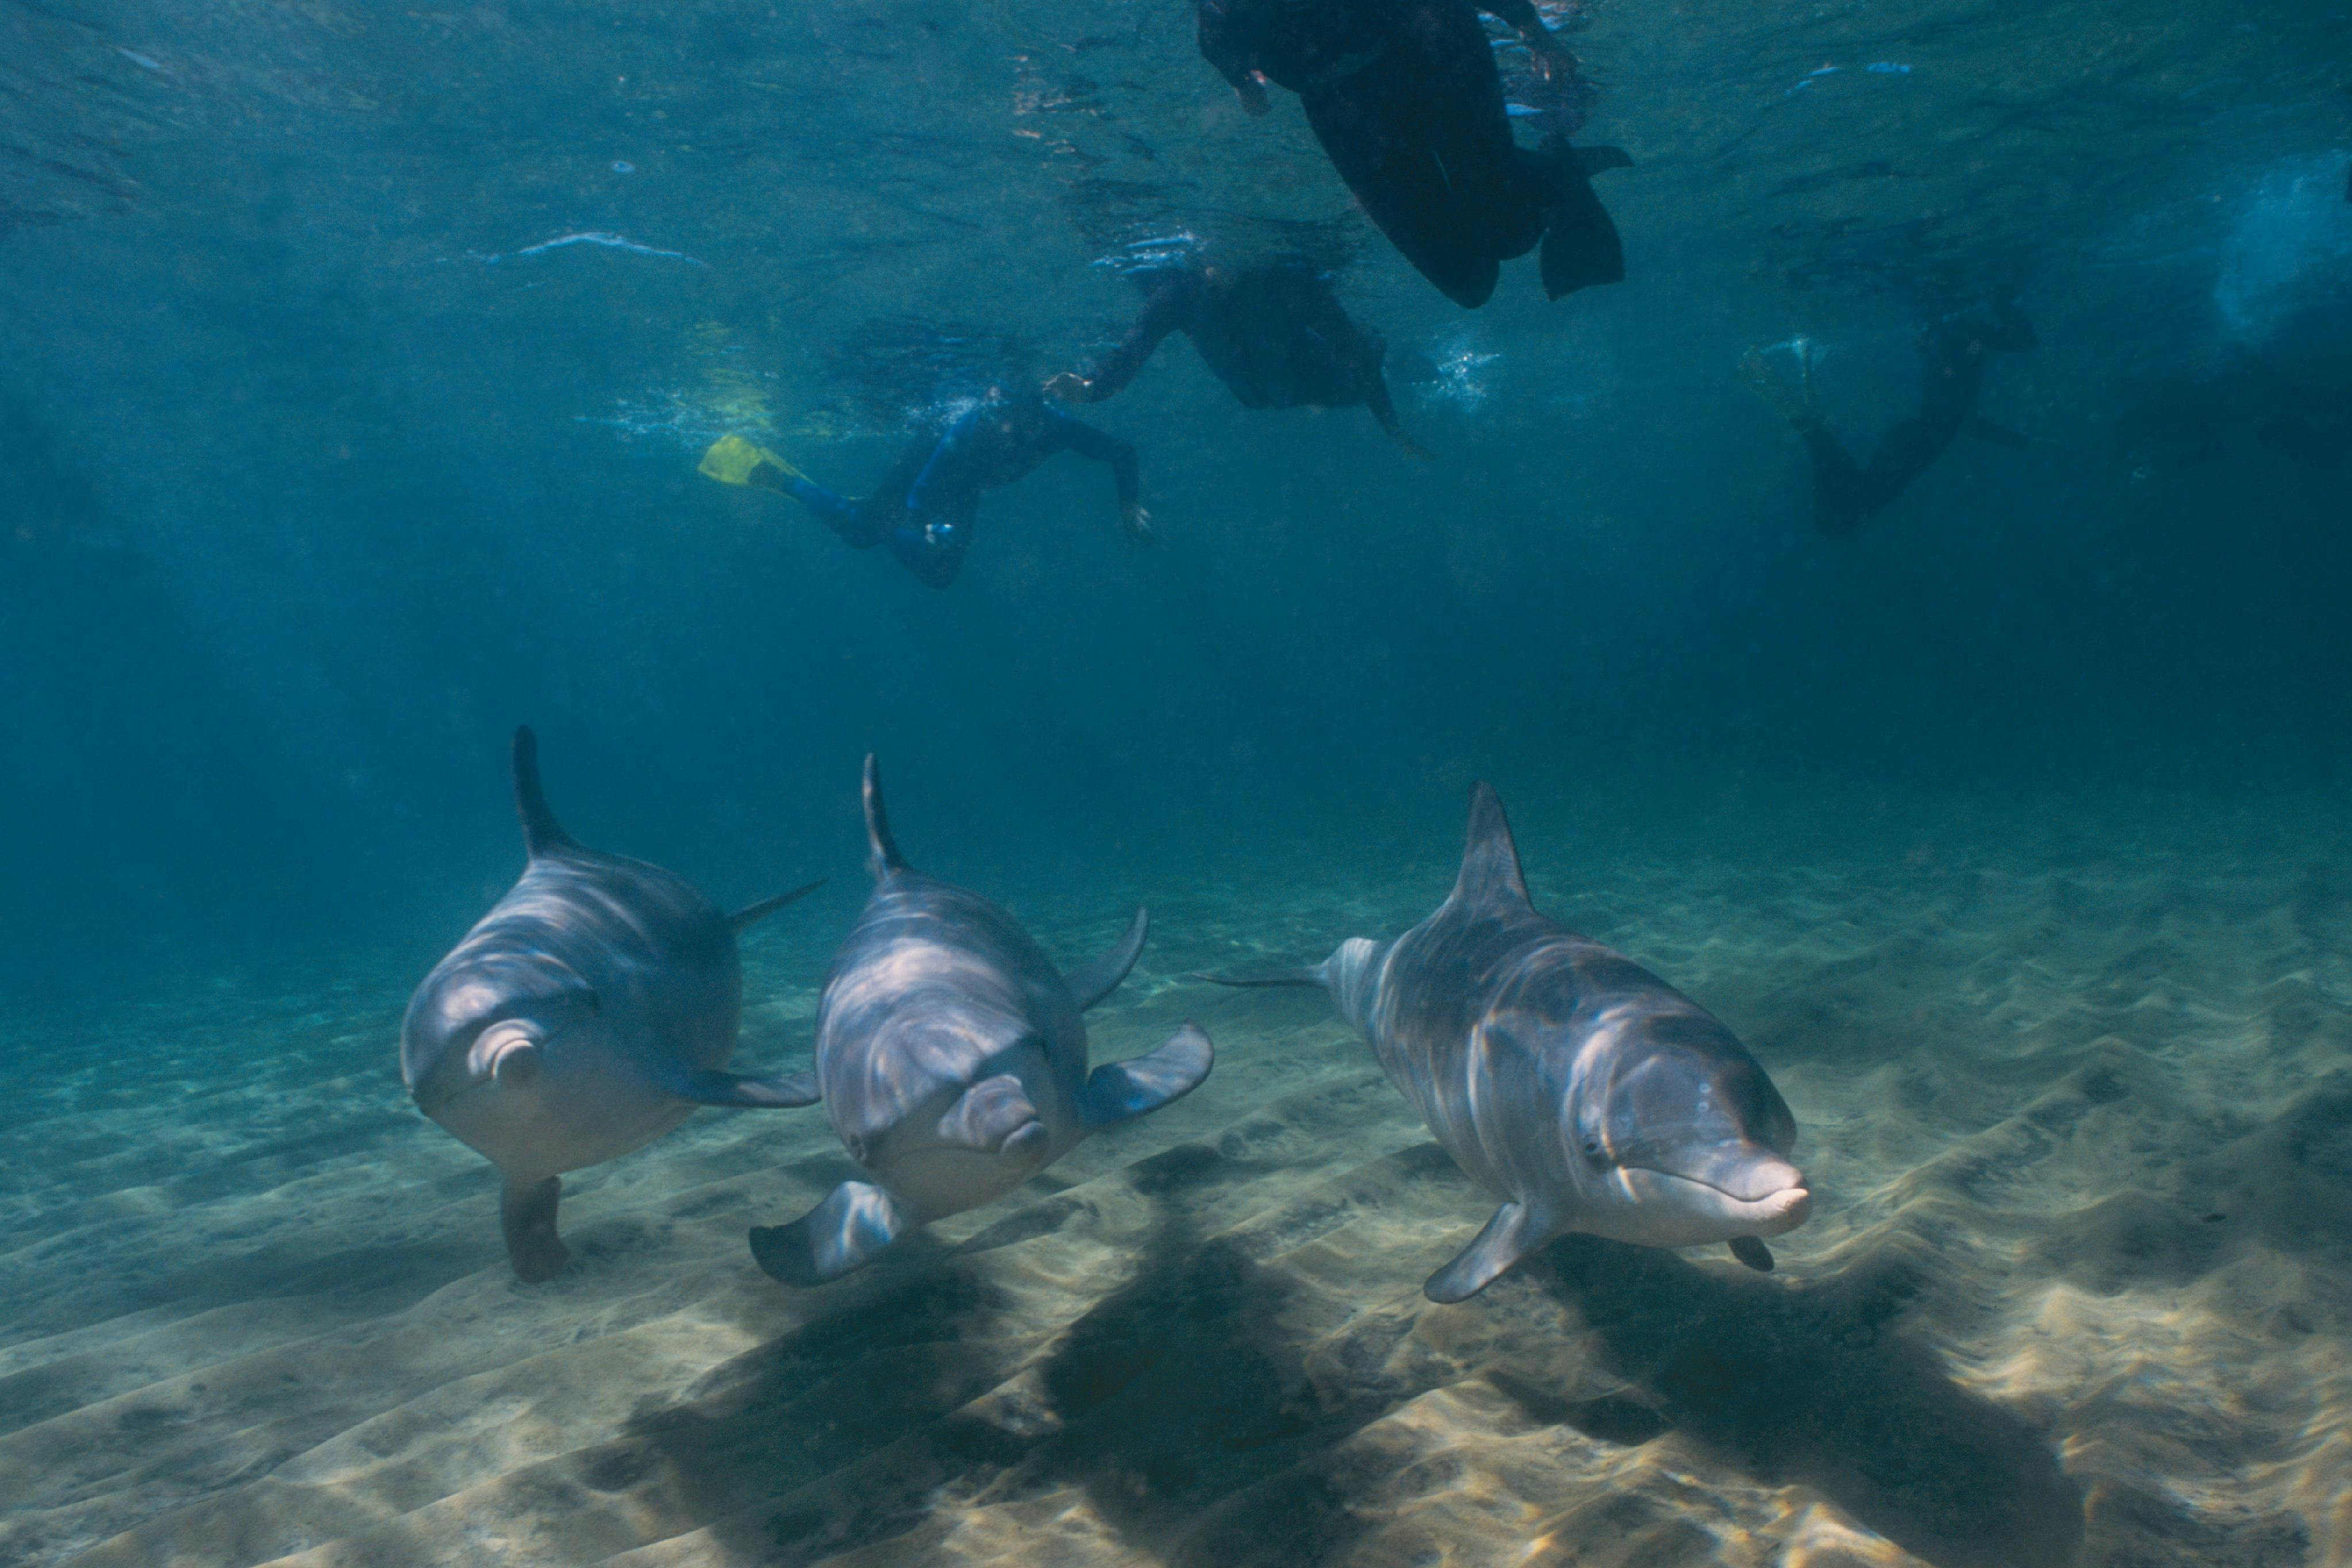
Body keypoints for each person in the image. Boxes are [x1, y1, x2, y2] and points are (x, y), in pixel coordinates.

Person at [1197, 0, 1627, 309]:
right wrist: (1244, 84)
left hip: (1434, 49)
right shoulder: (1219, 16)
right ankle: (1553, 174)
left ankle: (1561, 174)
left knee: (1509, 234)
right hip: (1341, 104)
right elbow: (1226, 50)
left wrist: (1532, 28)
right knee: (1469, 286)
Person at [697, 388, 1148, 589]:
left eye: (1018, 426)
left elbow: (1121, 451)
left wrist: (1129, 503)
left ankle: (873, 515)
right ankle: (781, 479)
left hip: (963, 489)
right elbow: (923, 486)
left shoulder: (1056, 427)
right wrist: (923, 523)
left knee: (940, 576)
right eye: (1001, 422)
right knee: (860, 533)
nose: (1008, 433)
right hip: (926, 469)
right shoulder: (970, 428)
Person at [1046, 259, 1428, 456]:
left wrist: (1390, 425)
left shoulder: (1291, 283)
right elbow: (1134, 349)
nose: (1222, 266)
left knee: (1370, 351)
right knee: (1348, 363)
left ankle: (1400, 364)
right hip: (1263, 391)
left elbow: (1355, 353)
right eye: (1213, 259)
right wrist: (1091, 387)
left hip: (1309, 379)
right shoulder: (1178, 292)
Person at [1743, 302, 2036, 537]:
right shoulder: (1956, 358)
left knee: (1825, 447)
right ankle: (1793, 385)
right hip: (1920, 439)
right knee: (1824, 446)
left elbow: (1963, 406)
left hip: (1919, 439)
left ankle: (1792, 387)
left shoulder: (1869, 495)